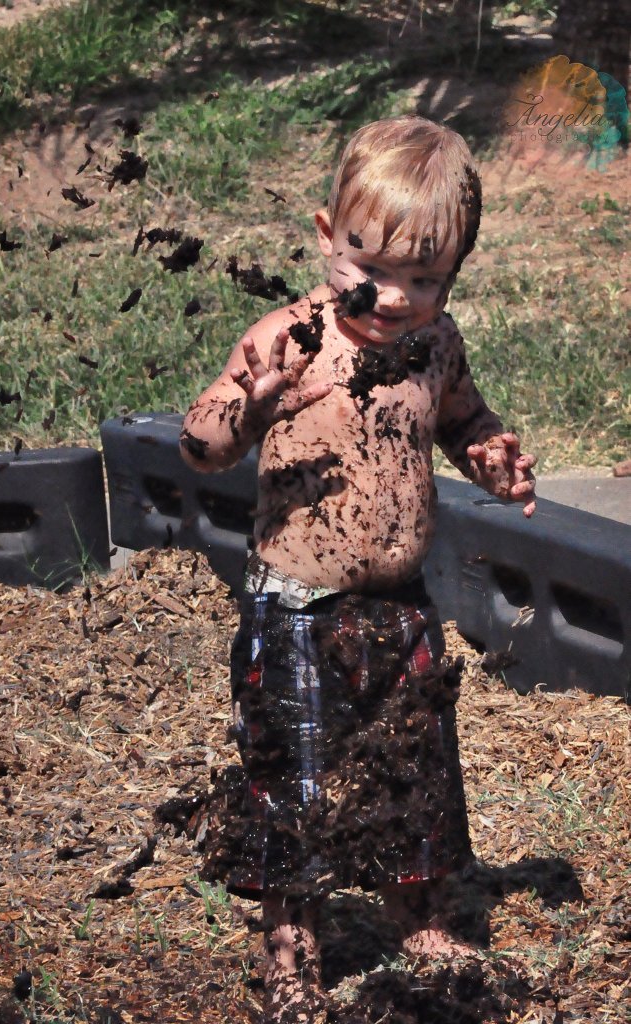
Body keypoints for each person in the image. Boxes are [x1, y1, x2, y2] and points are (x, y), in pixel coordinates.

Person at [179, 115, 536, 1022]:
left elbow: (460, 419)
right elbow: (201, 445)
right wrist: (246, 404)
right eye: (368, 270)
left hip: (400, 606)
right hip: (297, 608)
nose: (392, 297)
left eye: (424, 278)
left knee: (413, 776)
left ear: (451, 274)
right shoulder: (290, 339)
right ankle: (290, 955)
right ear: (327, 234)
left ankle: (415, 918)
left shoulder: (436, 343)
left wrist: (491, 456)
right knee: (294, 782)